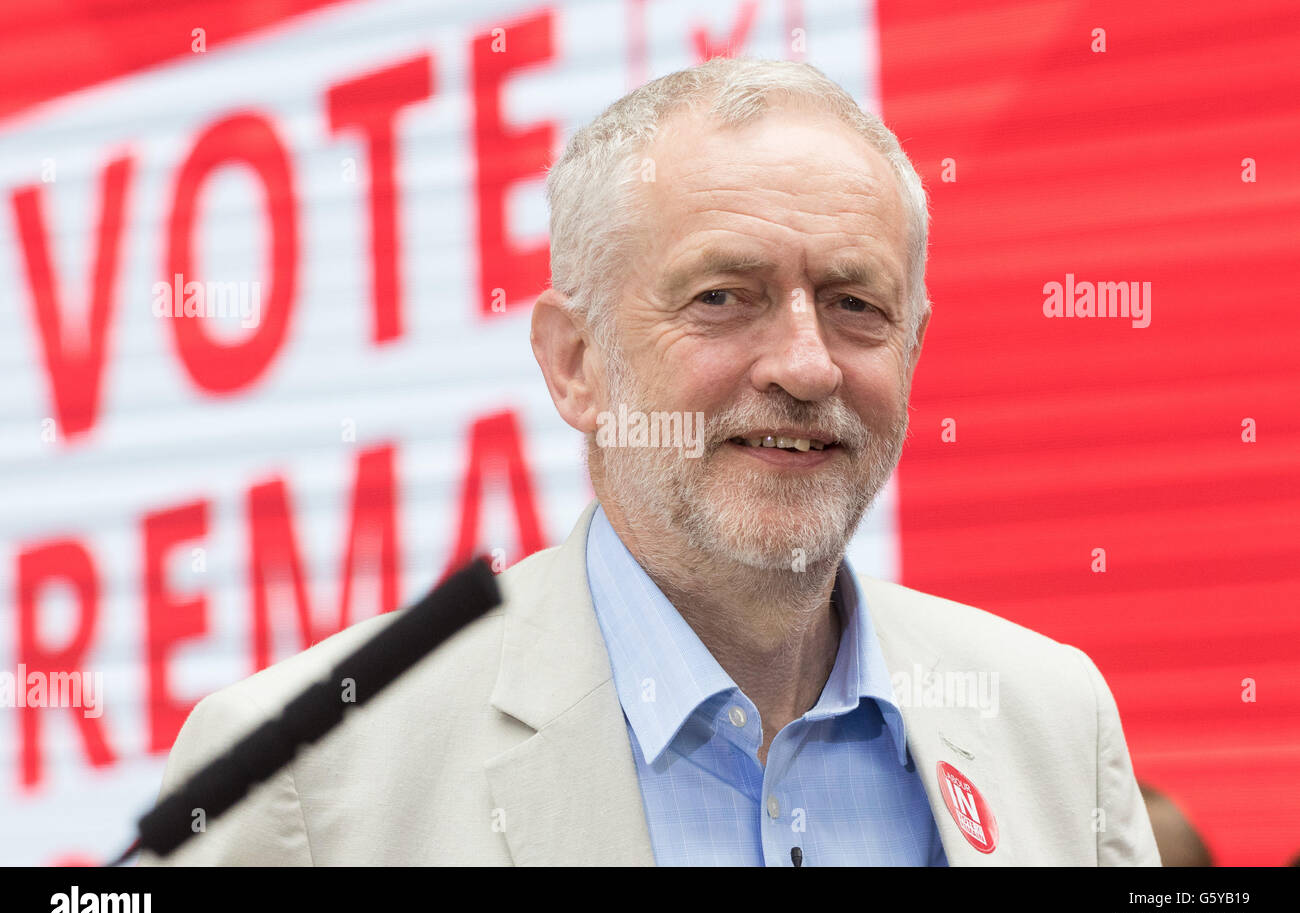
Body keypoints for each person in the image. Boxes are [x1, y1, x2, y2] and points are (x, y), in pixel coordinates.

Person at [140, 57, 1160, 866]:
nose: (806, 365)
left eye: (855, 303)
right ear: (574, 363)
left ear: (913, 348)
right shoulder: (306, 771)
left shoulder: (1052, 719)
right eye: (723, 295)